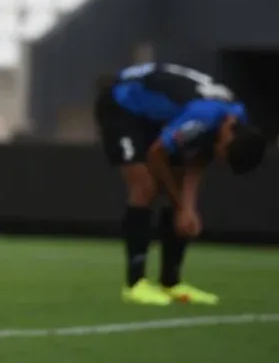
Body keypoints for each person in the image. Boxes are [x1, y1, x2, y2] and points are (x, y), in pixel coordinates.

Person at [94, 62, 266, 306]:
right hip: (122, 103)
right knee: (145, 187)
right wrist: (181, 205)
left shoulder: (237, 116)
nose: (218, 157)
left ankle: (171, 282)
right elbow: (156, 155)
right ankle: (135, 284)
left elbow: (197, 162)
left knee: (174, 185)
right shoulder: (204, 117)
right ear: (227, 138)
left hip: (155, 113)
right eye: (222, 154)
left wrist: (188, 206)